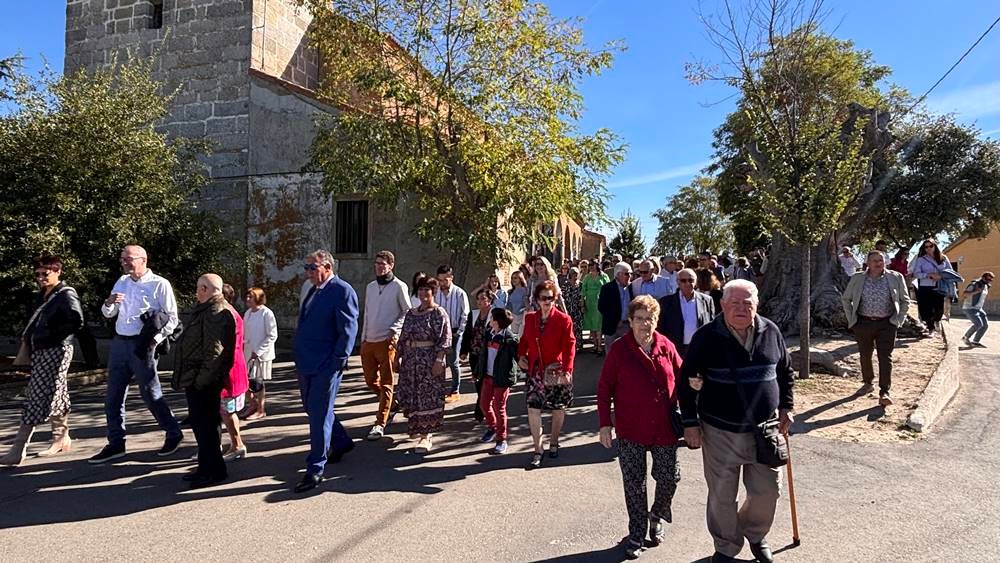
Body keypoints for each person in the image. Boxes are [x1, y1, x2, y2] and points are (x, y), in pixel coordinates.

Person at [680, 280, 794, 563]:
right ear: (722, 305)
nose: (741, 309)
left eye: (748, 303)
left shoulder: (771, 331)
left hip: (765, 429)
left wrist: (787, 407)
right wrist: (690, 423)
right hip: (720, 430)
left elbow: (785, 372)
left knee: (768, 491)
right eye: (735, 303)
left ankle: (755, 533)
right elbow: (685, 381)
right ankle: (726, 546)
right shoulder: (706, 337)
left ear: (757, 305)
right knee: (722, 495)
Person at [598, 295, 683, 559]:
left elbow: (682, 377)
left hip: (663, 427)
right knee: (635, 484)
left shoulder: (665, 345)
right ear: (631, 321)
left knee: (670, 477)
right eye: (640, 319)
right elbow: (604, 388)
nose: (645, 324)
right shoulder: (620, 349)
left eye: (650, 319)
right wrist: (604, 424)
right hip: (631, 427)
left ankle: (656, 515)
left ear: (657, 321)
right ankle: (636, 533)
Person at [90, 245, 183, 464]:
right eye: (122, 259)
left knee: (150, 393)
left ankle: (173, 432)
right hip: (120, 342)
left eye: (128, 259)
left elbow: (172, 318)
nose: (124, 262)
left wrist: (156, 340)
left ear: (143, 260)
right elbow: (109, 313)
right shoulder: (121, 281)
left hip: (143, 345)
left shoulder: (159, 284)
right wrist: (108, 303)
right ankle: (116, 443)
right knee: (113, 397)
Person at [1, 255, 84, 466]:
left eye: (45, 273)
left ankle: (18, 449)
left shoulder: (66, 295)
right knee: (57, 392)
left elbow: (77, 321)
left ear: (57, 272)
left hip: (56, 350)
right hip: (42, 350)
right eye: (37, 274)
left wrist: (51, 336)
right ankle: (61, 438)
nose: (40, 278)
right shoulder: (44, 295)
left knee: (36, 395)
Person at [293, 250, 359, 493]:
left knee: (319, 414)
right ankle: (340, 441)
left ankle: (315, 468)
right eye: (306, 267)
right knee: (313, 408)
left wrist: (338, 361)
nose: (308, 272)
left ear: (328, 267)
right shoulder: (313, 290)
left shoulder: (342, 291)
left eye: (313, 267)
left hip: (325, 365)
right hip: (306, 363)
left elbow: (348, 329)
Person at [172, 274, 235, 489]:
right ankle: (207, 467)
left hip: (204, 381)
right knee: (204, 427)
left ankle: (213, 471)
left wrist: (201, 381)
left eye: (200, 288)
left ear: (209, 289)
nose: (197, 292)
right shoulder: (206, 308)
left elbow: (214, 353)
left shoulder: (216, 311)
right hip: (197, 378)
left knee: (206, 427)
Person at [518, 280, 576, 470]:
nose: (547, 302)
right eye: (543, 298)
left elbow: (570, 346)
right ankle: (537, 449)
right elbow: (524, 341)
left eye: (550, 298)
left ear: (555, 299)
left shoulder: (563, 320)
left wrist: (567, 370)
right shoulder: (530, 318)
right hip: (535, 371)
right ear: (536, 299)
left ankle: (554, 441)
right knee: (533, 408)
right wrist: (520, 356)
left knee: (557, 408)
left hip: (555, 370)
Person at [841, 251, 911, 407]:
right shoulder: (858, 278)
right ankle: (867, 382)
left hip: (887, 323)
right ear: (868, 262)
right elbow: (846, 299)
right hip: (863, 323)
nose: (879, 263)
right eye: (875, 260)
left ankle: (884, 391)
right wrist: (852, 320)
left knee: (885, 357)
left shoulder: (895, 277)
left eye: (881, 260)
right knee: (865, 355)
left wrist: (897, 320)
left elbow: (905, 301)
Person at [394, 277, 452, 453]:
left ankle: (426, 436)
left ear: (433, 292)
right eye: (420, 290)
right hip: (411, 362)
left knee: (427, 397)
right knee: (412, 395)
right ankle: (415, 428)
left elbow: (445, 338)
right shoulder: (411, 314)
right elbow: (403, 336)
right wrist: (397, 357)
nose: (423, 293)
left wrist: (439, 361)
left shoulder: (438, 313)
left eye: (427, 290)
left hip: (429, 361)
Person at [361, 250, 411, 441]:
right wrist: (363, 337)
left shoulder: (399, 286)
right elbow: (366, 313)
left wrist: (394, 329)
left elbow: (406, 311)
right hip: (368, 341)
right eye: (377, 263)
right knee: (370, 381)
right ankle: (393, 403)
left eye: (383, 264)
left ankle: (380, 423)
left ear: (391, 265)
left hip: (386, 341)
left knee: (386, 382)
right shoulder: (371, 287)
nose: (379, 267)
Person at [476, 308, 520, 454]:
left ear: (498, 322)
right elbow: (483, 355)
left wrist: (516, 376)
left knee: (499, 408)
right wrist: (478, 372)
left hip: (502, 379)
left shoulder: (510, 339)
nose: (490, 320)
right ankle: (492, 427)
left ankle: (502, 439)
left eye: (493, 318)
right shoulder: (489, 334)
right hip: (487, 377)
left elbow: (518, 359)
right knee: (483, 404)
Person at [220, 284, 250, 461]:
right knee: (223, 410)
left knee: (227, 411)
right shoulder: (228, 313)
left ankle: (237, 444)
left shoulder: (228, 315)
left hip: (230, 371)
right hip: (230, 369)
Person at [656, 268, 716, 357]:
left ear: (695, 282)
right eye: (683, 280)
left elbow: (712, 325)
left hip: (699, 348)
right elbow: (660, 328)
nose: (687, 283)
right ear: (678, 282)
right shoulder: (666, 302)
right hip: (675, 349)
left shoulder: (707, 300)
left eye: (691, 280)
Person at [241, 287, 277, 421]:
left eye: (251, 297)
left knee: (258, 382)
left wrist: (259, 351)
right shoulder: (248, 313)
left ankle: (261, 409)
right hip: (247, 353)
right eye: (247, 296)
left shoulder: (267, 313)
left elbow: (272, 335)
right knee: (244, 381)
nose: (248, 299)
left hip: (260, 355)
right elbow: (245, 332)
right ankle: (252, 404)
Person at [435, 265, 470, 404]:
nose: (442, 283)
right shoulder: (436, 292)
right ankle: (439, 388)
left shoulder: (459, 293)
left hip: (455, 330)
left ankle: (455, 389)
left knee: (453, 361)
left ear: (451, 278)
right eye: (440, 280)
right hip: (440, 331)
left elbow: (465, 313)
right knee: (439, 360)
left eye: (445, 280)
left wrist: (460, 332)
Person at [461, 288, 496, 422]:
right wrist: (464, 351)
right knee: (478, 381)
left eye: (483, 299)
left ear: (489, 301)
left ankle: (480, 410)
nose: (480, 301)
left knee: (486, 381)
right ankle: (482, 406)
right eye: (478, 299)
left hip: (489, 354)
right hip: (475, 353)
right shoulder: (473, 314)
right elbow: (468, 333)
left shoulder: (495, 314)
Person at [911, 239, 950, 335]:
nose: (928, 248)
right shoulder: (920, 259)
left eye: (930, 246)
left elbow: (950, 271)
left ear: (935, 246)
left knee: (939, 308)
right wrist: (928, 275)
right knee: (926, 309)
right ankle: (930, 329)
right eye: (926, 247)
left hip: (939, 285)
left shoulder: (943, 258)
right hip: (925, 286)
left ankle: (937, 321)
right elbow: (916, 273)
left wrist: (940, 276)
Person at [598, 262, 635, 351]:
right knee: (611, 355)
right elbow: (602, 307)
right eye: (627, 274)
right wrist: (616, 321)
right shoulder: (607, 288)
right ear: (618, 274)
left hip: (627, 326)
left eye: (631, 274)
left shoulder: (632, 288)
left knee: (626, 353)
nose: (629, 276)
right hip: (612, 327)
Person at [582, 260, 610, 355]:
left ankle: (599, 346)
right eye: (589, 265)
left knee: (599, 323)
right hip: (589, 302)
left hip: (600, 301)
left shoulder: (604, 276)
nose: (590, 267)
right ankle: (594, 344)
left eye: (592, 265)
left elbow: (608, 288)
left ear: (597, 265)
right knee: (591, 324)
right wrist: (582, 302)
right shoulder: (587, 277)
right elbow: (583, 290)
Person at [962, 272, 994, 347]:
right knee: (978, 324)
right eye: (987, 279)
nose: (989, 281)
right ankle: (965, 337)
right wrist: (976, 291)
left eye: (990, 280)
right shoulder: (974, 284)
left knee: (985, 325)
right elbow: (964, 294)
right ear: (983, 278)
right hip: (970, 307)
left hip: (979, 308)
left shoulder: (986, 286)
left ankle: (975, 341)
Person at [562, 267, 585, 346]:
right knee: (568, 327)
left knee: (578, 327)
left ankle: (578, 344)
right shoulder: (566, 284)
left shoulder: (581, 284)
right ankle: (569, 344)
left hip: (577, 309)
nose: (574, 275)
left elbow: (584, 295)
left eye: (576, 274)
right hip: (568, 308)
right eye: (573, 273)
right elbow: (562, 296)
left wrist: (582, 303)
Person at [506, 270, 530, 337]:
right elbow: (509, 304)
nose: (513, 280)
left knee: (521, 336)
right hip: (513, 316)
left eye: (515, 278)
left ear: (520, 278)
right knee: (514, 336)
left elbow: (527, 303)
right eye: (512, 278)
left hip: (522, 316)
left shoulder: (525, 290)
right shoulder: (511, 291)